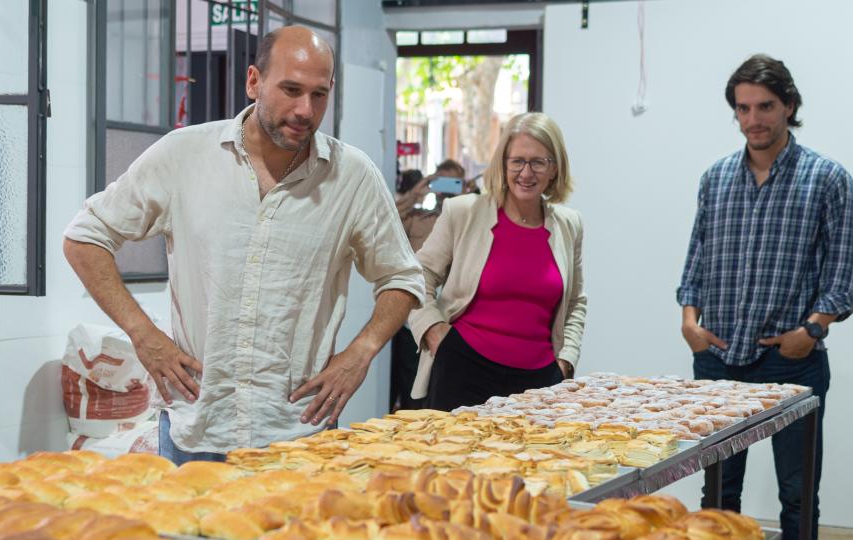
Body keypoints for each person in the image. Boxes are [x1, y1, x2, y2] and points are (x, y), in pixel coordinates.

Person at [63, 26, 423, 464]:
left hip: (299, 432)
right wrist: (143, 334)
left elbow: (402, 276)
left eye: (318, 95)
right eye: (290, 90)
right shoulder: (185, 155)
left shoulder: (352, 176)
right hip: (196, 429)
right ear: (254, 81)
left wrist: (361, 352)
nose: (304, 110)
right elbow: (85, 237)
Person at [677, 54, 853, 540]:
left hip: (793, 366)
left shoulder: (827, 179)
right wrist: (689, 319)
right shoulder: (715, 178)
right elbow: (697, 260)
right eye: (742, 108)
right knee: (718, 500)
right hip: (717, 361)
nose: (753, 119)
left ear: (789, 107)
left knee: (797, 503)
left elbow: (847, 273)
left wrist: (810, 332)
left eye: (764, 106)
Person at [409, 112, 587, 411]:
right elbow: (417, 276)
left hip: (540, 382)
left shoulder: (570, 225)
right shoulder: (463, 212)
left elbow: (576, 302)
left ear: (554, 168)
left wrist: (566, 360)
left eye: (538, 162)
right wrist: (434, 332)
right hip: (463, 371)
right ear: (503, 164)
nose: (526, 173)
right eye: (517, 161)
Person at [390, 159, 467, 411]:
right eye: (441, 182)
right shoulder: (418, 219)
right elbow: (385, 220)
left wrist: (468, 198)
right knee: (409, 388)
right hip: (414, 315)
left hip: (455, 320)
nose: (447, 190)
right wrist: (415, 194)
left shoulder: (471, 221)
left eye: (453, 182)